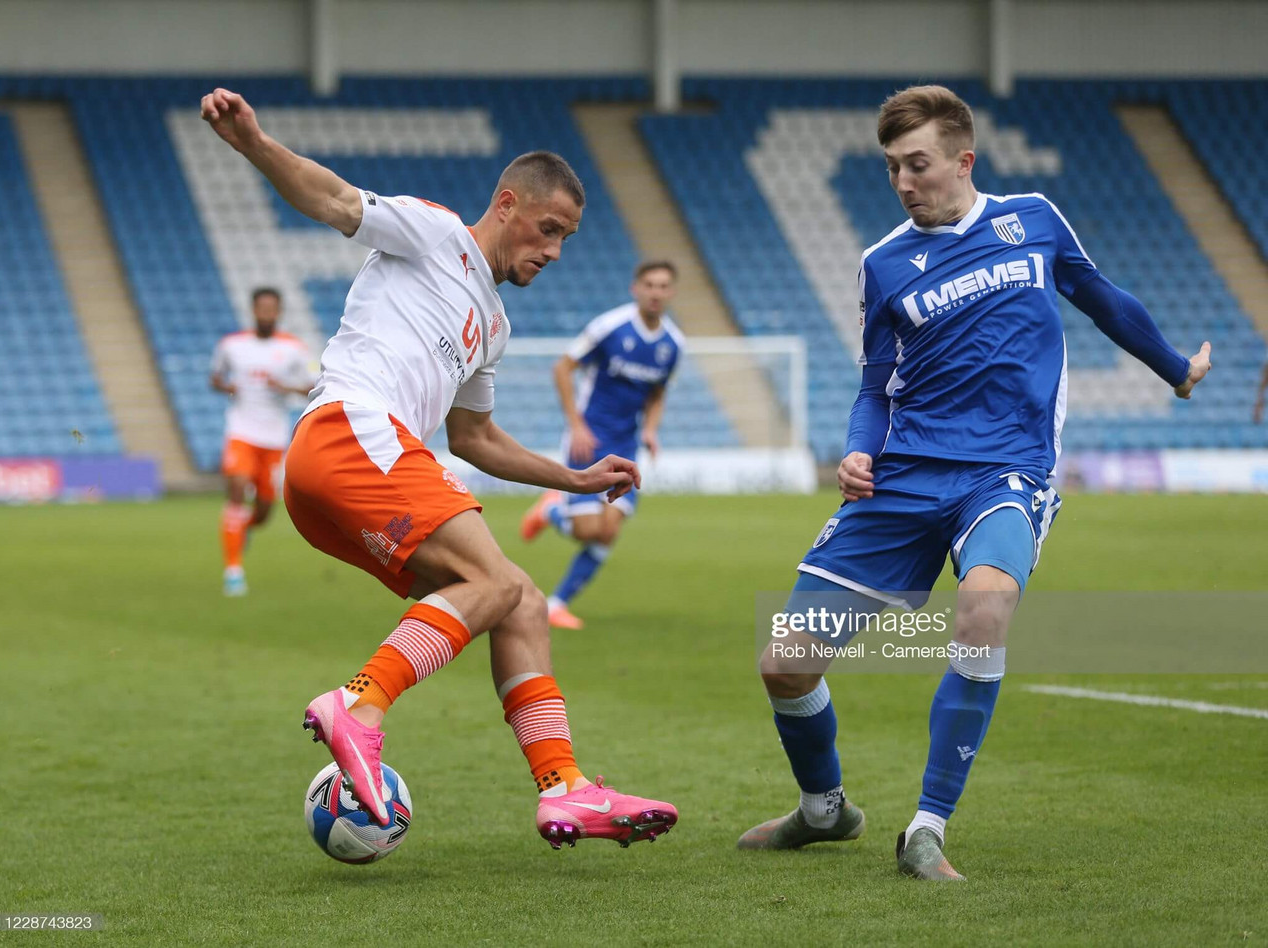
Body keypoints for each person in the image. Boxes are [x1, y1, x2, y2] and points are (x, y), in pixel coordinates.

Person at [738, 85, 1211, 879]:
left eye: (916, 164)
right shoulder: (882, 263)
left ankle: (927, 827)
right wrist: (858, 453)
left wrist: (1175, 371)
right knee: (785, 662)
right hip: (904, 475)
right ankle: (824, 811)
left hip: (1005, 468)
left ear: (964, 159)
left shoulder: (1032, 218)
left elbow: (1102, 299)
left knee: (984, 605)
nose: (903, 181)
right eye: (892, 167)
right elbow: (872, 385)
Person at [199, 87, 677, 848]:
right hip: (353, 431)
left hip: (347, 471)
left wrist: (576, 479)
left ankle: (566, 788)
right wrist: (253, 144)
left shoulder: (492, 324)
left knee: (516, 599)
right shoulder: (432, 233)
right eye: (548, 230)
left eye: (565, 239)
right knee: (491, 582)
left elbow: (475, 438)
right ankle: (359, 704)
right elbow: (330, 198)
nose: (553, 251)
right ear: (509, 203)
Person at [520, 261, 684, 629]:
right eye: (649, 285)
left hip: (626, 444)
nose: (656, 292)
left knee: (608, 530)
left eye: (663, 286)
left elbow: (657, 393)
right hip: (589, 439)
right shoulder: (609, 327)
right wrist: (575, 425)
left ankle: (556, 603)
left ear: (671, 293)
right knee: (586, 531)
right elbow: (562, 368)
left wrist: (652, 430)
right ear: (635, 288)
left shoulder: (674, 344)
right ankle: (551, 511)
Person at [208, 287, 314, 596]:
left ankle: (245, 528)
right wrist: (227, 386)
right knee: (237, 488)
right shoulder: (231, 345)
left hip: (273, 437)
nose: (266, 313)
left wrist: (284, 387)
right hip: (241, 430)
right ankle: (233, 572)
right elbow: (215, 378)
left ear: (278, 312)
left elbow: (313, 385)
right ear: (253, 310)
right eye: (261, 308)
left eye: (272, 309)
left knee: (265, 509)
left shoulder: (295, 349)